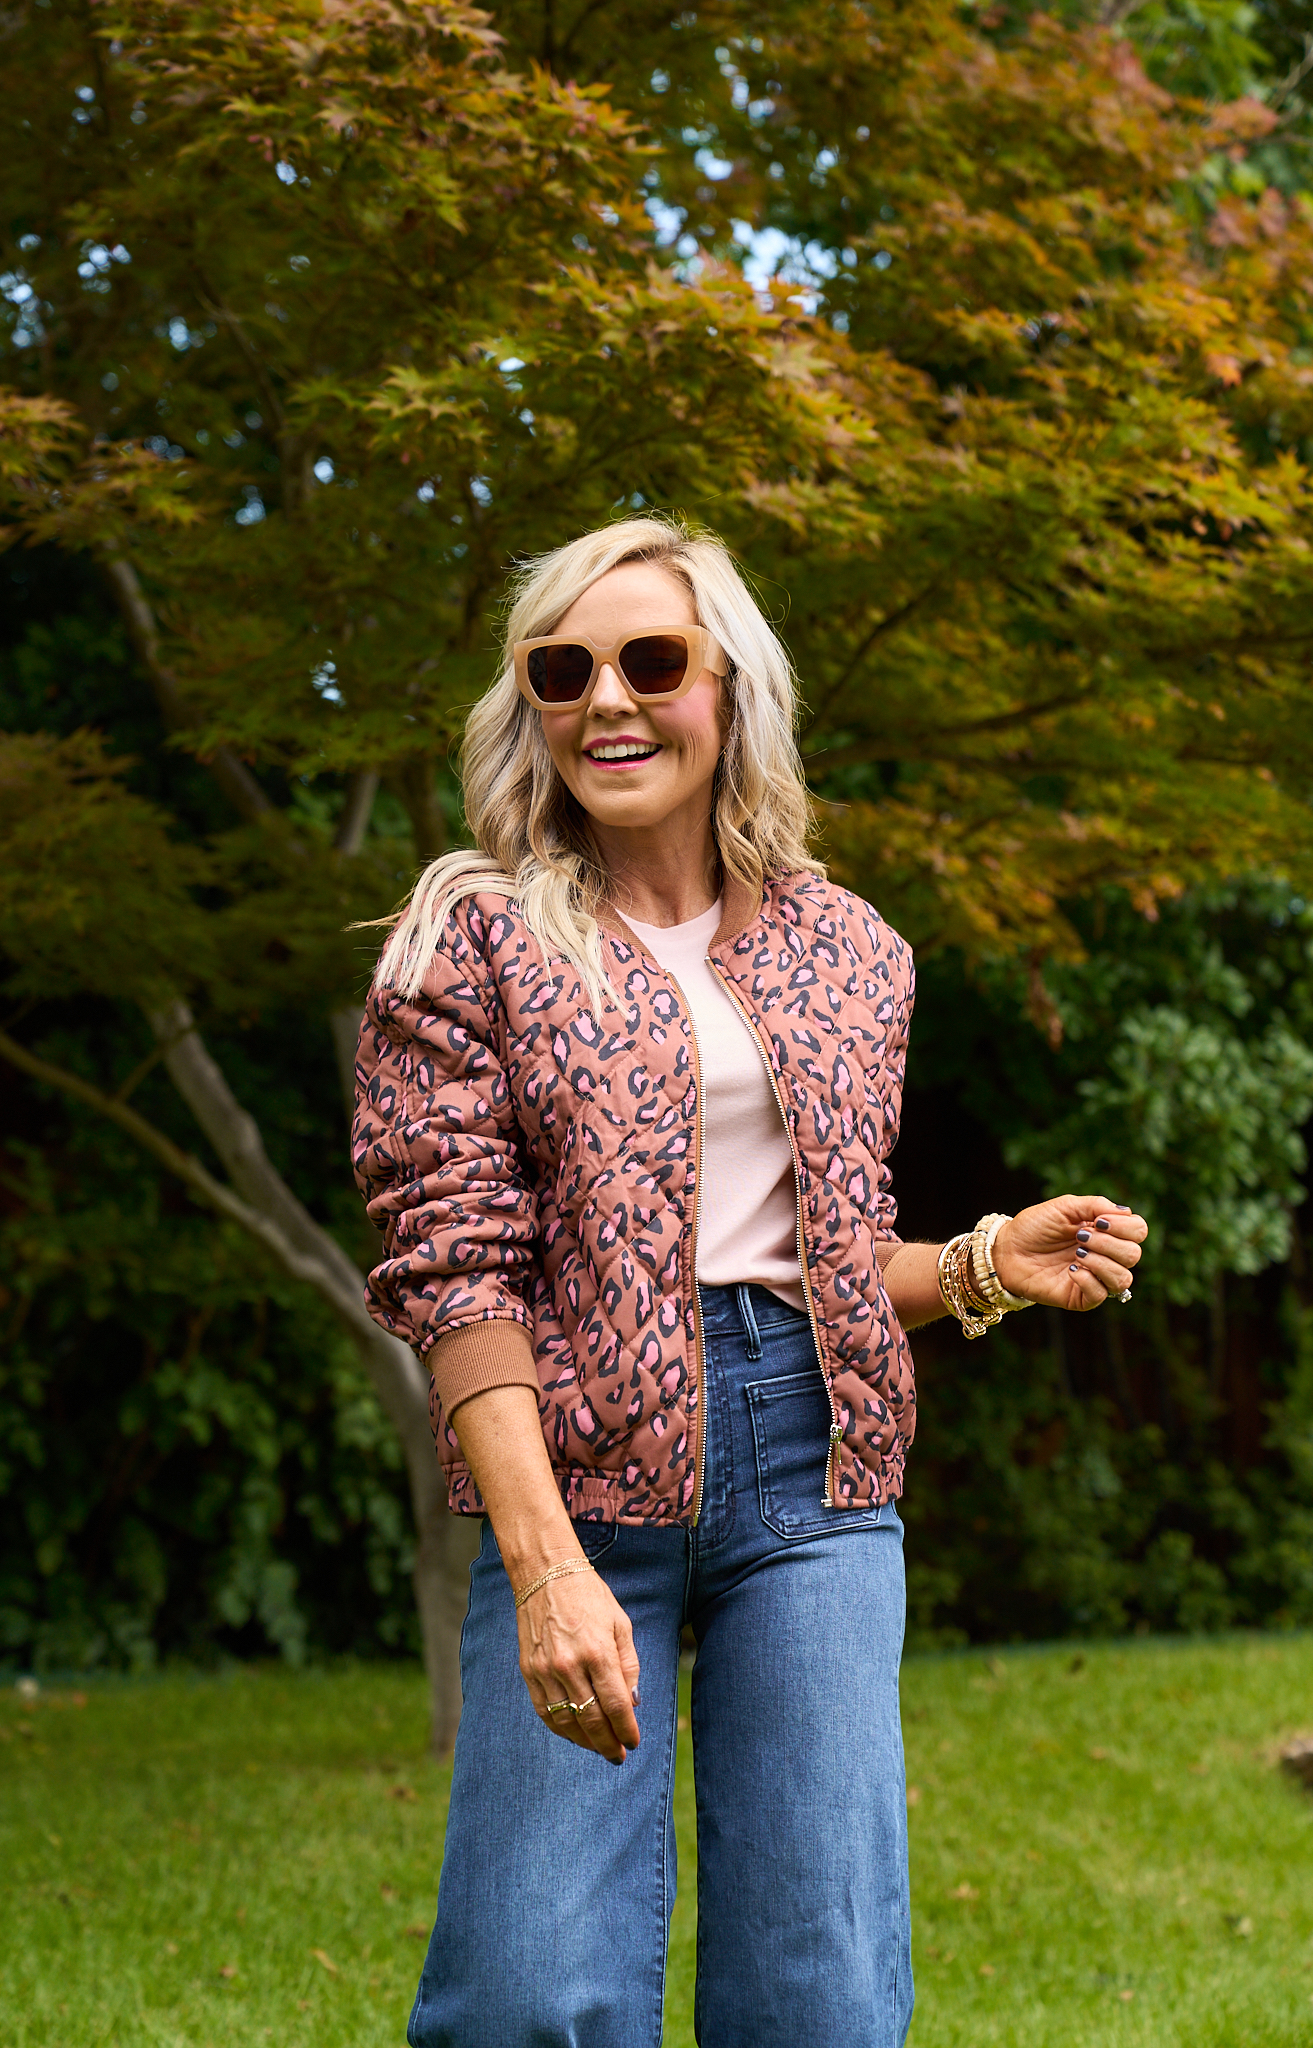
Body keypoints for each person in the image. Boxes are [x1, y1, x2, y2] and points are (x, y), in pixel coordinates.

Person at [351, 516, 1148, 2048]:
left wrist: (979, 1263)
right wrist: (541, 1563)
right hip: (574, 1476)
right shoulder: (472, 942)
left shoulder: (849, 949)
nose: (607, 700)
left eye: (651, 662)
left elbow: (825, 1264)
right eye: (562, 670)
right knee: (526, 1992)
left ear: (729, 691)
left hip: (814, 1480)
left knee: (818, 1989)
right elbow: (454, 1272)